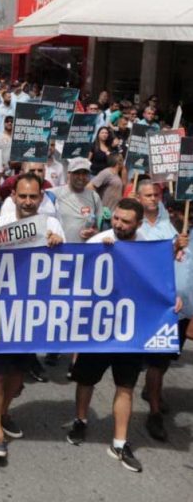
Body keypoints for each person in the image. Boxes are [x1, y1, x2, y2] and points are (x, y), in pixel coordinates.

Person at [66, 198, 176, 473]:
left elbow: (159, 282)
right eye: (116, 218)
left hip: (130, 331)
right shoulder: (98, 242)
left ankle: (120, 442)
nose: (118, 224)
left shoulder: (148, 248)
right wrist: (100, 257)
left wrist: (172, 298)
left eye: (125, 221)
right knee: (86, 380)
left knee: (125, 386)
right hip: (98, 329)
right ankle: (80, 421)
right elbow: (77, 280)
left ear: (138, 224)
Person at [0, 173, 65, 460]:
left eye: (33, 196)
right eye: (23, 196)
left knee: (17, 378)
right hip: (0, 313)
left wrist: (59, 244)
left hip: (30, 316)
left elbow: (67, 266)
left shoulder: (52, 225)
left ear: (41, 198)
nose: (28, 201)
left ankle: (3, 413)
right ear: (13, 197)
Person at [135, 180, 189, 441]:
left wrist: (179, 246)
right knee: (157, 360)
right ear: (138, 197)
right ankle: (154, 413)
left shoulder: (169, 224)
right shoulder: (136, 227)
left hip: (180, 306)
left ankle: (151, 391)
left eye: (156, 194)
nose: (153, 198)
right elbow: (143, 262)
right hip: (156, 305)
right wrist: (172, 248)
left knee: (166, 358)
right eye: (148, 195)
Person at [48, 157, 103, 243]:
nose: (81, 177)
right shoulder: (54, 194)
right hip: (61, 248)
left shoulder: (94, 196)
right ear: (69, 174)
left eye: (85, 173)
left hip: (84, 249)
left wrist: (93, 233)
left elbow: (98, 228)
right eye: (77, 173)